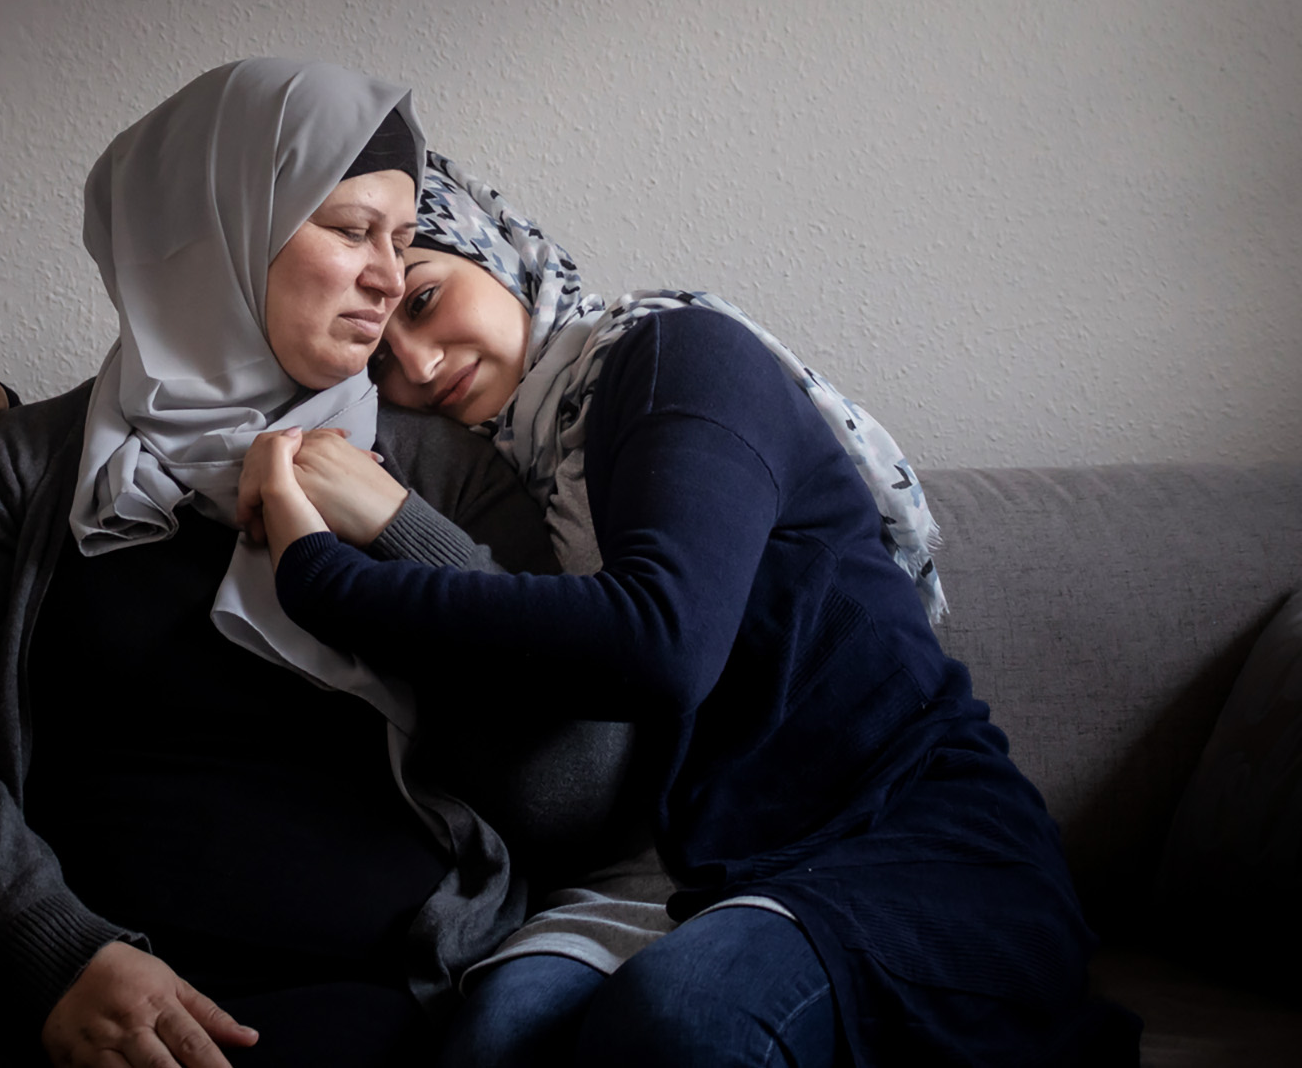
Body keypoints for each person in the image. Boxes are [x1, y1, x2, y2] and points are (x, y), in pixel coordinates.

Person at [0, 61, 623, 1068]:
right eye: (347, 229)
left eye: (402, 239)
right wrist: (57, 953)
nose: (385, 273)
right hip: (34, 970)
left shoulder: (450, 471)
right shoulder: (15, 457)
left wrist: (399, 529)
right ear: (218, 228)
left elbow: (574, 795)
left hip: (341, 986)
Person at [235, 154, 1142, 1065]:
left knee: (685, 1019)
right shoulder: (508, 473)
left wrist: (322, 574)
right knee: (494, 1040)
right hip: (676, 865)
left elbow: (663, 643)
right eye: (383, 358)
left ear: (497, 254)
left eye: (424, 301)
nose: (420, 366)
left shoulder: (676, 355)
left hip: (896, 828)